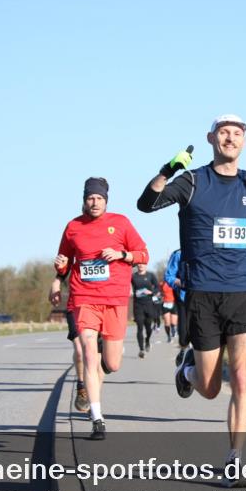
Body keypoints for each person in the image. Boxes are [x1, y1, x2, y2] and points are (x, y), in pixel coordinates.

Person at [137, 114, 246, 487]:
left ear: (243, 141)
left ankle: (235, 459)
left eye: (237, 133)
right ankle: (188, 371)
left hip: (244, 293)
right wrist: (167, 170)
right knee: (211, 387)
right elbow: (145, 204)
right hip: (203, 295)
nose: (230, 139)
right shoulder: (193, 181)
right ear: (212, 137)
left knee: (242, 378)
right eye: (224, 133)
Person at [56, 177, 148, 440]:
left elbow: (142, 253)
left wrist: (121, 255)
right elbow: (64, 262)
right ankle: (97, 418)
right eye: (90, 198)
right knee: (87, 352)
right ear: (84, 200)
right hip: (84, 297)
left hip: (115, 299)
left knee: (112, 363)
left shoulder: (120, 223)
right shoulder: (73, 227)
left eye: (98, 198)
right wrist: (61, 266)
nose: (94, 202)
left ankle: (101, 370)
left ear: (106, 200)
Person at [47, 278, 89, 413]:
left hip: (100, 305)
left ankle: (94, 398)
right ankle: (81, 386)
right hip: (75, 306)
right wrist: (55, 286)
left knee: (97, 355)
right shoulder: (71, 257)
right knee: (79, 349)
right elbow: (59, 275)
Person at [164, 249, 190, 365]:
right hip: (184, 298)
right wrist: (182, 282)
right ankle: (183, 351)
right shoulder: (178, 254)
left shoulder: (206, 251)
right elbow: (169, 276)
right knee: (184, 334)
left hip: (204, 298)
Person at [130, 263, 159, 358]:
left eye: (143, 264)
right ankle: (141, 349)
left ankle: (147, 340)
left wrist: (151, 292)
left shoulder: (151, 275)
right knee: (139, 327)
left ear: (146, 265)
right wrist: (131, 291)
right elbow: (127, 286)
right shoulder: (133, 276)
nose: (141, 265)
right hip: (138, 305)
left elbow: (157, 288)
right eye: (139, 264)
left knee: (148, 328)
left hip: (149, 304)